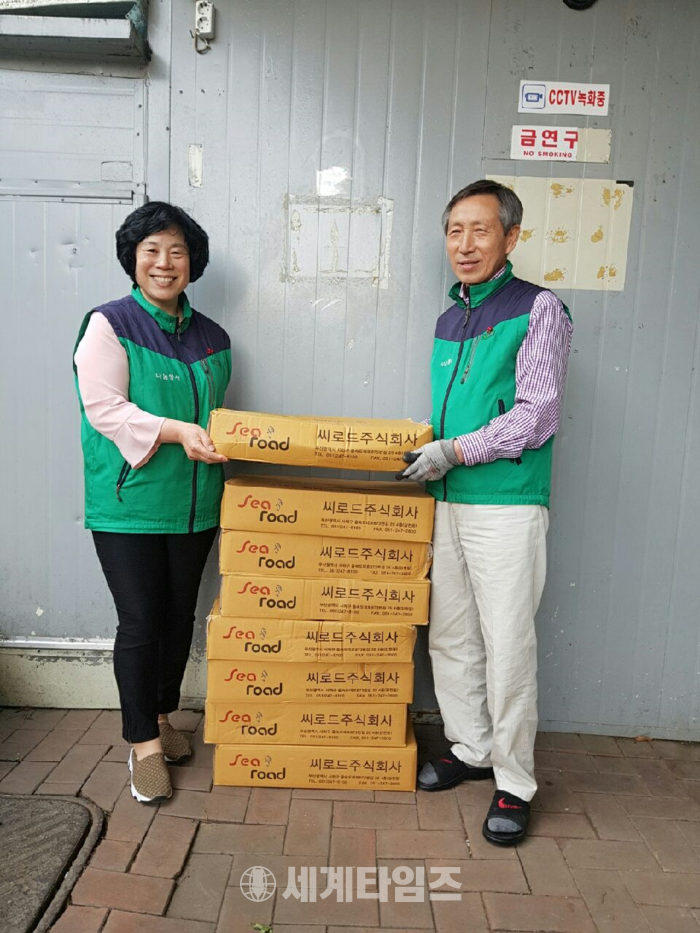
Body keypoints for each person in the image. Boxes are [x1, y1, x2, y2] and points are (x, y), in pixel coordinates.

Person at [398, 179, 572, 846]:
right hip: (447, 500)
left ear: (511, 237)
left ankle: (515, 781)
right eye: (454, 231)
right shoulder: (450, 318)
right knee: (451, 636)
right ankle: (470, 747)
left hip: (506, 503)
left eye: (480, 230)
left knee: (507, 644)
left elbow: (537, 414)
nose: (464, 244)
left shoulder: (538, 308)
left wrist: (455, 450)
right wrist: (431, 446)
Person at [74, 202, 231, 804]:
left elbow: (216, 417)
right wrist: (176, 431)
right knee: (141, 622)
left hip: (194, 505)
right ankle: (142, 744)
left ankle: (163, 716)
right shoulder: (109, 324)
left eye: (177, 251)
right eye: (151, 251)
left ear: (193, 262)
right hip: (130, 504)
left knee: (178, 618)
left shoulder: (213, 337)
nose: (164, 263)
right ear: (133, 260)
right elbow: (105, 409)